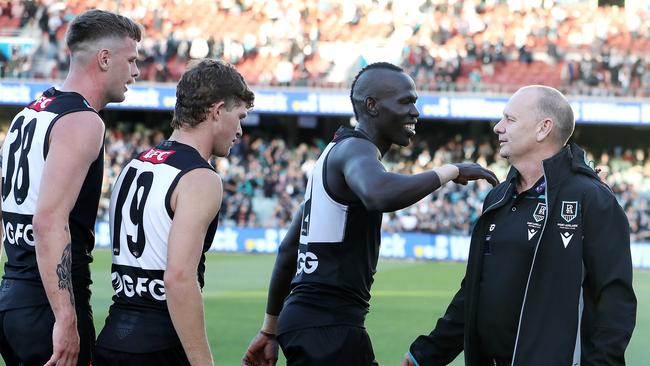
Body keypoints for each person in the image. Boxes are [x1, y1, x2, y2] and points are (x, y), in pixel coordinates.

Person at [242, 62, 499, 366]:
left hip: (312, 322)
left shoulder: (334, 154)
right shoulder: (356, 150)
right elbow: (379, 194)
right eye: (406, 101)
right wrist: (450, 171)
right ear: (372, 105)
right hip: (329, 325)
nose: (415, 111)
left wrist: (270, 329)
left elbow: (288, 249)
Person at [403, 85, 637, 366]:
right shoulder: (497, 198)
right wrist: (427, 354)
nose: (497, 127)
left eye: (509, 119)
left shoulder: (592, 199)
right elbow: (474, 293)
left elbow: (614, 302)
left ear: (543, 128)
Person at [0, 10, 141, 366]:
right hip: (47, 305)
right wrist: (66, 317)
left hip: (12, 294)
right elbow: (48, 220)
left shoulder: (27, 115)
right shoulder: (82, 121)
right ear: (104, 59)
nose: (136, 72)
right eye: (132, 60)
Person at [94, 58, 254, 366]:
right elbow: (179, 278)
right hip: (160, 346)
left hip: (113, 337)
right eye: (240, 117)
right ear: (218, 111)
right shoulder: (200, 177)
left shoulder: (134, 164)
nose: (240, 131)